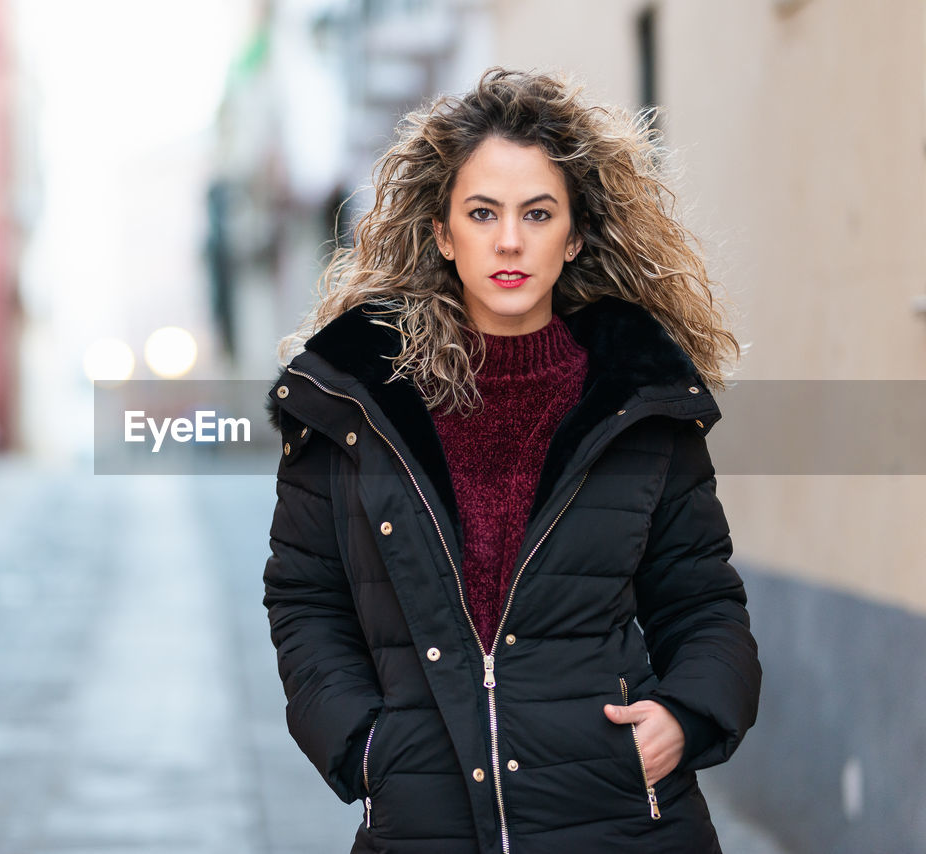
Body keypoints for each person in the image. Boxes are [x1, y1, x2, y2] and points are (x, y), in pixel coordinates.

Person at [261, 67, 762, 854]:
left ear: (575, 235)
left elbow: (702, 600)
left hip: (620, 819)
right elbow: (306, 599)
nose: (509, 241)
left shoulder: (639, 399)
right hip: (423, 820)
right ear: (441, 232)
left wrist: (686, 716)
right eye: (482, 212)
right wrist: (363, 748)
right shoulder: (352, 402)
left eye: (538, 213)